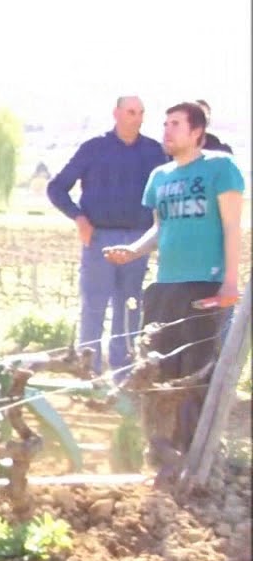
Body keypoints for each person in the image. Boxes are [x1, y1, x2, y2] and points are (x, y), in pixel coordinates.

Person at [104, 100, 245, 472]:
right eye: (165, 123)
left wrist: (230, 283)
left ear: (197, 131)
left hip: (204, 283)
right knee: (157, 368)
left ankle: (193, 458)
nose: (166, 130)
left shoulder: (221, 168)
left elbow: (232, 226)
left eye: (176, 124)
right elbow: (160, 227)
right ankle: (159, 451)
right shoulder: (160, 177)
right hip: (165, 284)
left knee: (195, 373)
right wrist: (133, 250)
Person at [46, 96, 167, 376]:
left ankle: (123, 374)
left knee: (130, 307)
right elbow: (57, 188)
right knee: (94, 307)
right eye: (131, 112)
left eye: (141, 113)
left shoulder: (154, 152)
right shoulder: (94, 148)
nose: (137, 118)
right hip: (99, 238)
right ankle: (88, 373)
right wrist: (78, 218)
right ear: (116, 113)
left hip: (138, 241)